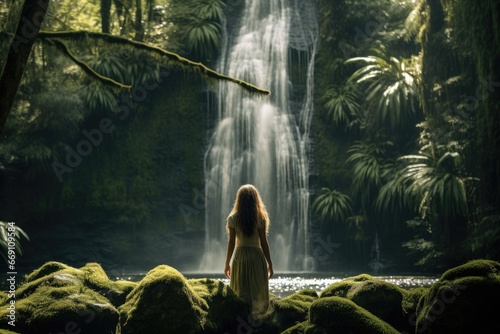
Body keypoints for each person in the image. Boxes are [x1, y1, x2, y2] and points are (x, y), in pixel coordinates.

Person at [224, 184, 273, 314]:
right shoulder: (260, 218)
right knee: (257, 290)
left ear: (239, 200)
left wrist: (227, 264)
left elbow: (231, 243)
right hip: (257, 256)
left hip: (240, 256)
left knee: (240, 290)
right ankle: (257, 320)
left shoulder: (232, 218)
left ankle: (240, 319)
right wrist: (270, 264)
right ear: (255, 200)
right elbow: (264, 242)